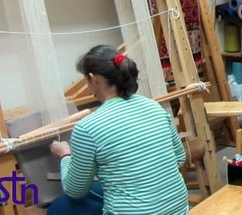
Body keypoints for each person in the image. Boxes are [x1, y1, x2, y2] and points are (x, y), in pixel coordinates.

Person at [48, 45, 188, 215]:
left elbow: (74, 190)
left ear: (93, 79)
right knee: (96, 189)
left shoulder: (87, 128)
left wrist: (65, 155)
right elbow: (179, 157)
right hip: (177, 208)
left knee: (60, 205)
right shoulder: (153, 107)